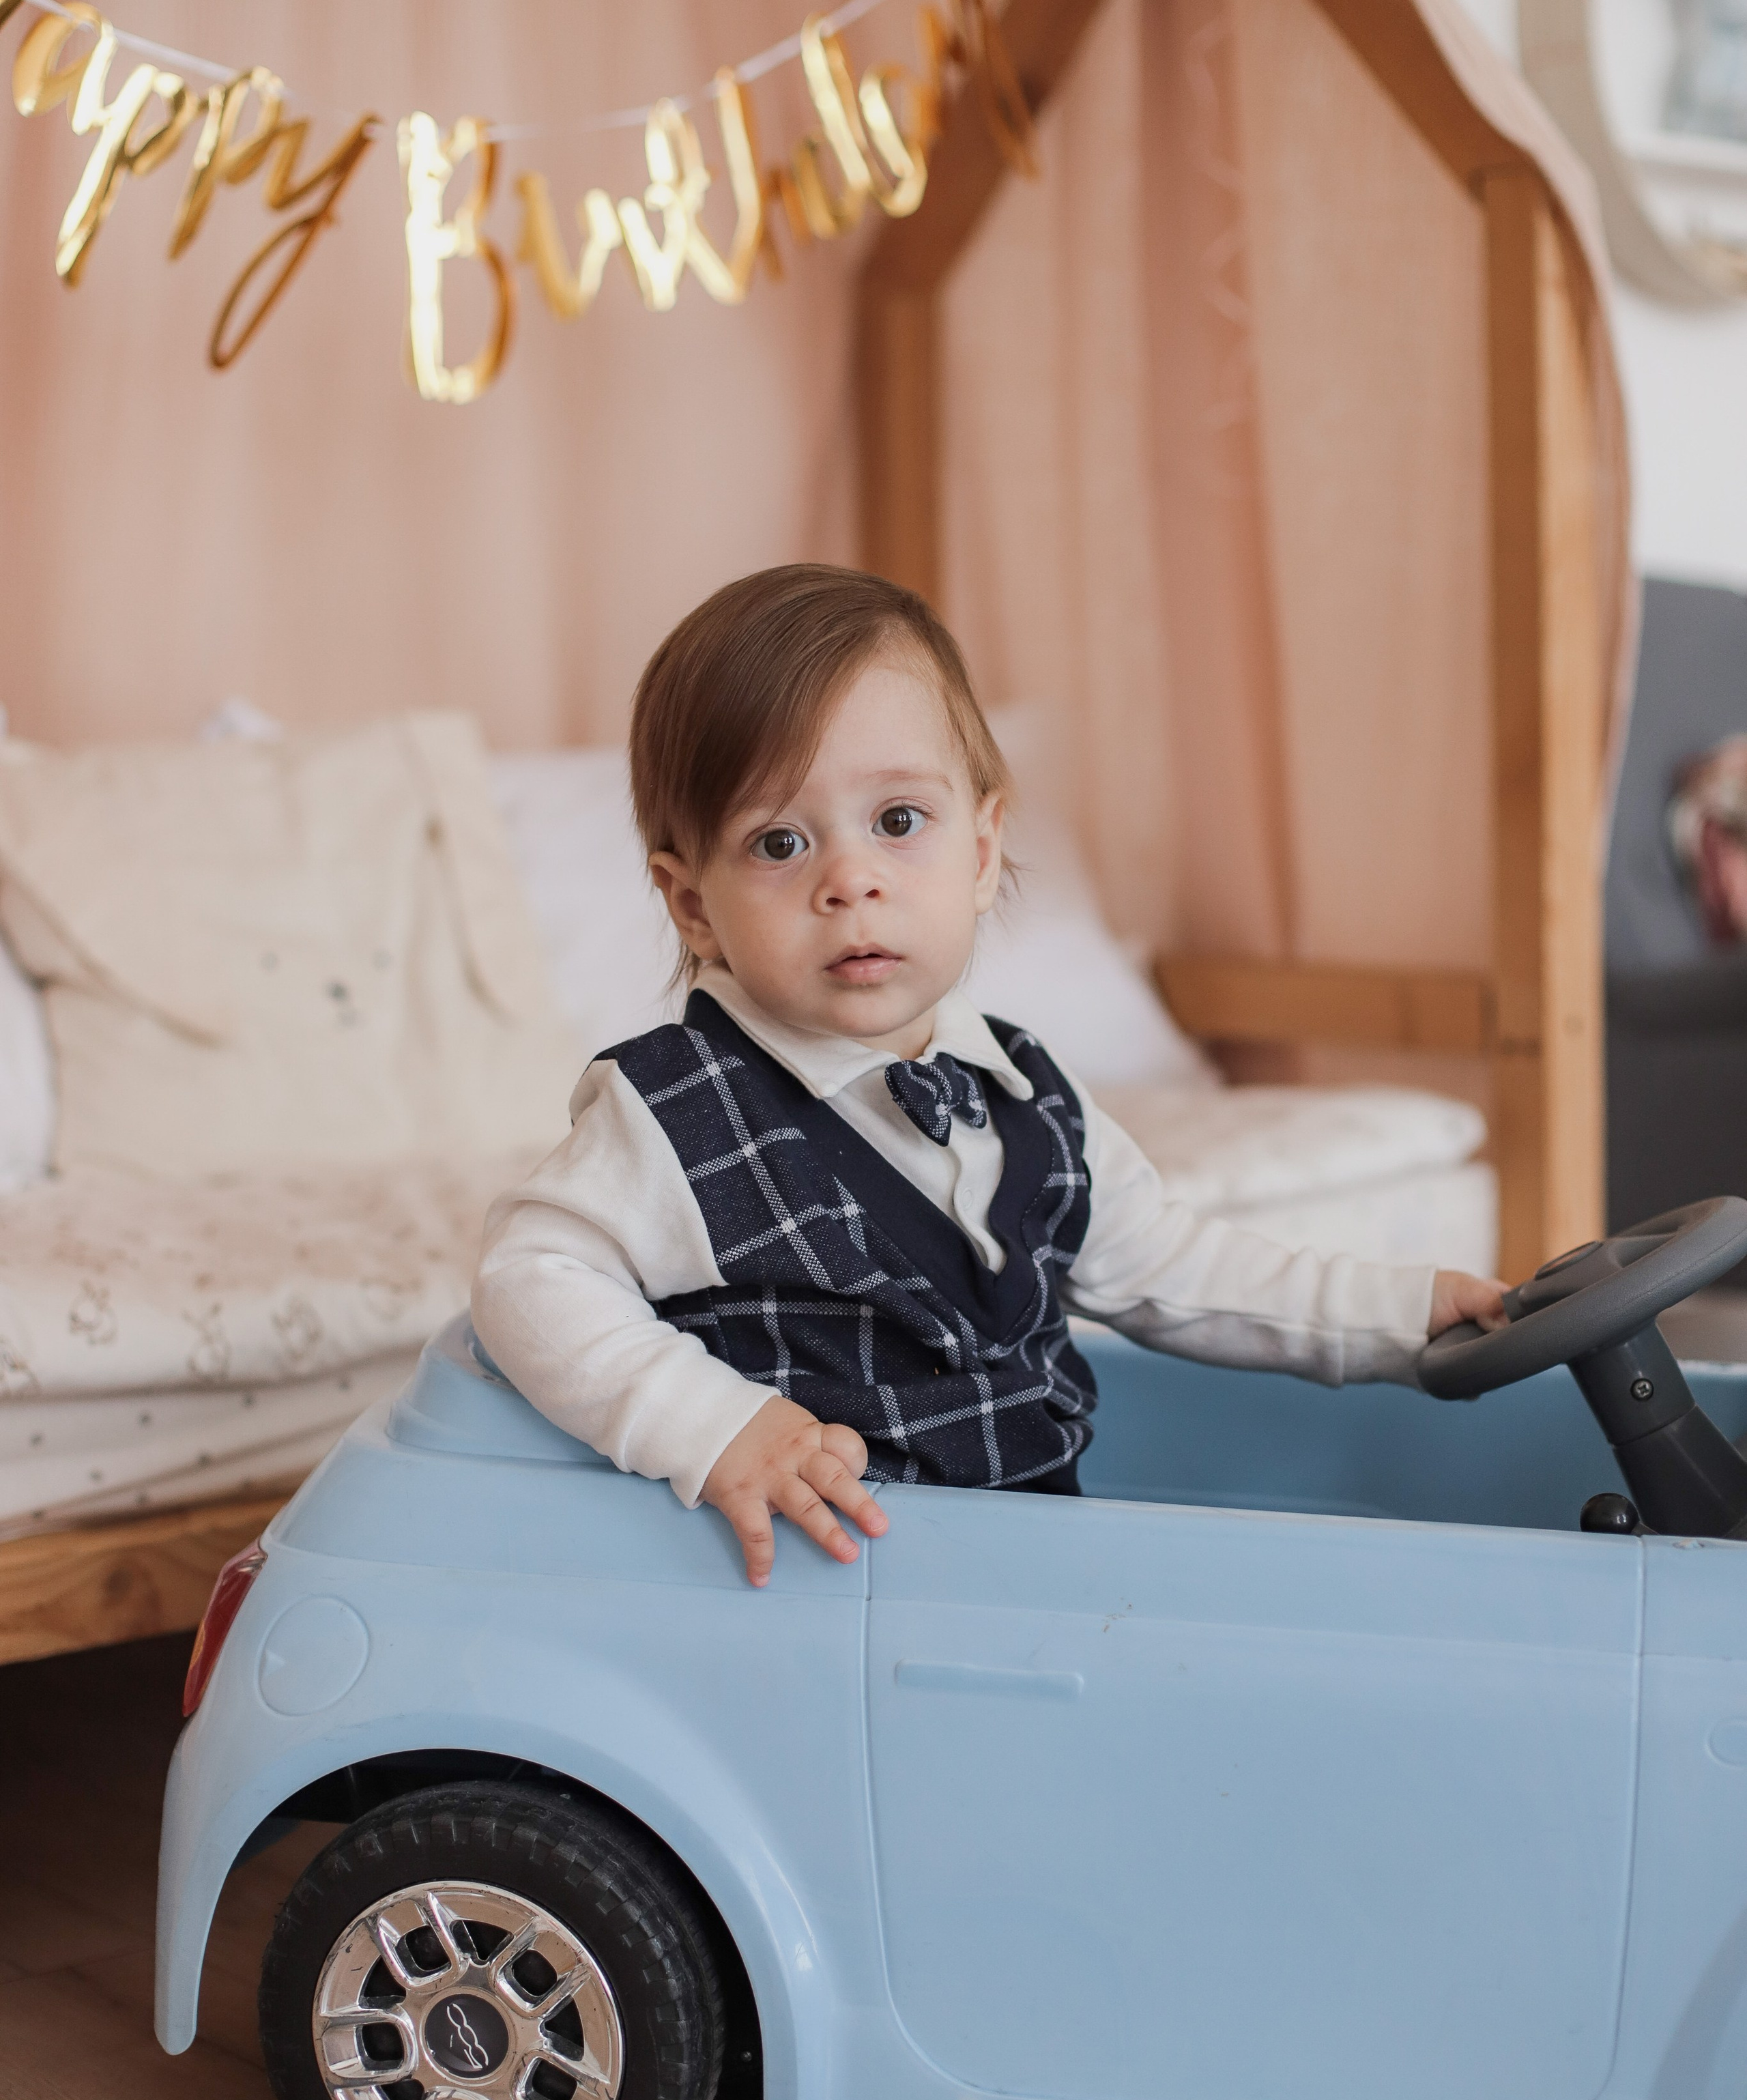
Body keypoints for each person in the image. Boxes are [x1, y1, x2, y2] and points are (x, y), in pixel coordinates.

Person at [473, 565, 1505, 1586]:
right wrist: (715, 1425)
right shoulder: (674, 1116)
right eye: (779, 842)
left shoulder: (1028, 1092)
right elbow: (531, 1279)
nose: (851, 880)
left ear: (981, 847)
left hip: (1026, 1577)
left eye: (898, 822)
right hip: (824, 1597)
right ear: (692, 905)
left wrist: (1401, 1315)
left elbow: (1181, 1270)